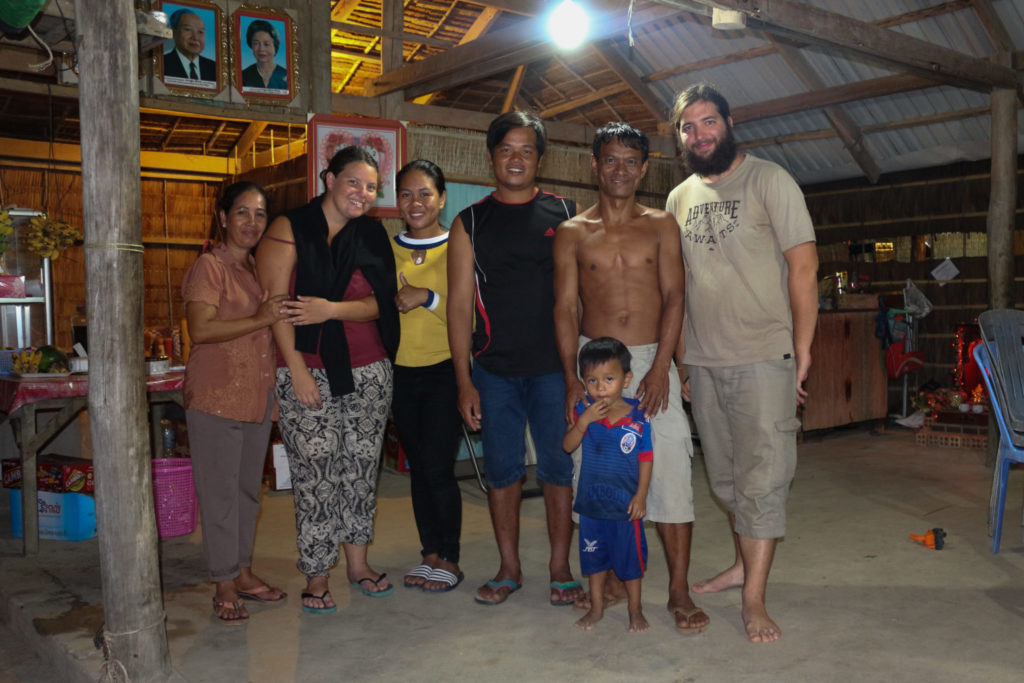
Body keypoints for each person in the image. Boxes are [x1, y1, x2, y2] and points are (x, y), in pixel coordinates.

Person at [666, 83, 818, 643]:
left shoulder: (770, 180)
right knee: (728, 483)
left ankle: (753, 598)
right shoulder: (677, 198)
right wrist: (682, 361)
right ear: (678, 136)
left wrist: (802, 351)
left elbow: (803, 270)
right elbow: (678, 287)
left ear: (729, 122)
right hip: (704, 362)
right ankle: (740, 566)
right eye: (688, 127)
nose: (700, 134)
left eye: (708, 122)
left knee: (763, 483)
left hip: (763, 357)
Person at [553, 121, 708, 634]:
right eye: (610, 160)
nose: (619, 169)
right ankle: (615, 580)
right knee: (595, 475)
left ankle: (678, 590)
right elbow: (565, 305)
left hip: (648, 360)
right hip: (593, 364)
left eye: (630, 160)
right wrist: (573, 379)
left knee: (669, 473)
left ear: (644, 168)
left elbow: (675, 298)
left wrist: (662, 365)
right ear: (594, 166)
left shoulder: (662, 224)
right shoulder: (573, 231)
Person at [447, 110, 584, 607]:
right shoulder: (471, 223)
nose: (517, 159)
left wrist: (578, 373)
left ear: (540, 159)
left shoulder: (568, 213)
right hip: (493, 371)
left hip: (555, 370)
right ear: (491, 158)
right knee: (503, 471)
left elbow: (580, 297)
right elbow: (459, 307)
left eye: (527, 150)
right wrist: (464, 381)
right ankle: (509, 568)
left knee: (557, 468)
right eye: (507, 149)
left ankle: (560, 567)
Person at [255, 146, 399, 614]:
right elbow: (275, 305)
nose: (362, 193)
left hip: (370, 367)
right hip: (307, 365)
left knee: (360, 468)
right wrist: (295, 368)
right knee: (315, 473)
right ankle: (317, 573)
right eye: (354, 181)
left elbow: (383, 303)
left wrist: (330, 309)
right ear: (328, 178)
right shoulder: (288, 228)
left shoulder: (372, 235)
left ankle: (357, 564)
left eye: (371, 186)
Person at [181, 181, 289, 625]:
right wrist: (261, 317)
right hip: (216, 397)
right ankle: (224, 582)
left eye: (260, 214)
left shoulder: (259, 270)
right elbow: (201, 329)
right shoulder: (210, 267)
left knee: (247, 492)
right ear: (223, 217)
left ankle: (242, 571)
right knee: (220, 494)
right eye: (242, 212)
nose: (251, 222)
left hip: (256, 397)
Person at [390, 160, 464, 593]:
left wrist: (427, 296)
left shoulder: (457, 245)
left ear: (441, 198)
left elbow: (468, 310)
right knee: (418, 469)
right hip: (401, 372)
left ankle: (450, 556)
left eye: (425, 194)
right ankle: (429, 553)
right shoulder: (389, 248)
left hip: (444, 369)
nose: (415, 203)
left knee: (438, 468)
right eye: (406, 194)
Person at [562, 338, 653, 633]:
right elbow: (567, 446)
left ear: (626, 379)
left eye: (609, 379)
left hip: (625, 506)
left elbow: (646, 458)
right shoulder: (584, 411)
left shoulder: (638, 416)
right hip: (591, 505)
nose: (600, 387)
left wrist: (641, 495)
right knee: (594, 561)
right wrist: (584, 421)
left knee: (631, 563)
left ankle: (635, 609)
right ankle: (597, 608)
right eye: (592, 380)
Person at [164, 8, 216, 83]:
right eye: (188, 29)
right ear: (173, 32)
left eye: (200, 32)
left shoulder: (214, 68)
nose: (195, 37)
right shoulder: (163, 64)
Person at [241, 19, 288, 91]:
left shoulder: (287, 75)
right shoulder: (243, 76)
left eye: (266, 44)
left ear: (275, 46)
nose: (261, 49)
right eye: (256, 43)